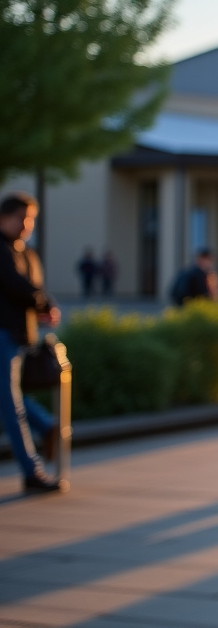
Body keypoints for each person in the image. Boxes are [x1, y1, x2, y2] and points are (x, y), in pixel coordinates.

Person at [0, 193, 62, 493]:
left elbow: (30, 288)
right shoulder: (4, 250)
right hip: (6, 332)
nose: (26, 225)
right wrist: (43, 302)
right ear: (4, 217)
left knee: (8, 401)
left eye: (30, 220)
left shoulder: (24, 252)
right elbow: (17, 286)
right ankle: (45, 427)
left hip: (12, 334)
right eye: (22, 219)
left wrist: (44, 305)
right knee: (7, 399)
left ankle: (31, 468)